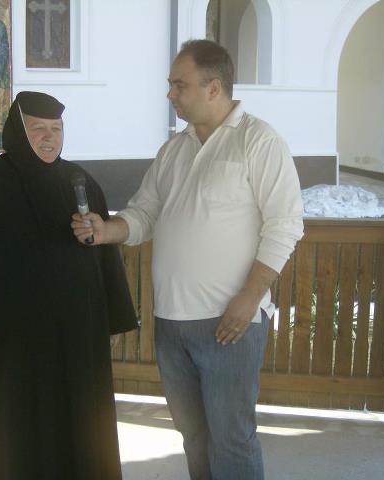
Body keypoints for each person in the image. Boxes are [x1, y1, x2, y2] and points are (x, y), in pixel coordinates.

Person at [72, 40, 304, 480]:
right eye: (171, 84)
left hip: (229, 321)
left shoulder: (259, 140)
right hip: (171, 322)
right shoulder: (174, 150)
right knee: (194, 437)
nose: (170, 94)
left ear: (213, 88)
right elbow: (143, 214)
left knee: (232, 439)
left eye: (180, 85)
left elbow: (285, 225)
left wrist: (249, 299)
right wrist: (106, 230)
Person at [0, 91, 137, 479]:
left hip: (75, 342)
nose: (49, 137)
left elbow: (104, 253)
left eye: (56, 129)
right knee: (11, 436)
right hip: (7, 347)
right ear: (17, 133)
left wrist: (111, 320)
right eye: (38, 129)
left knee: (80, 428)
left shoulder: (81, 182)